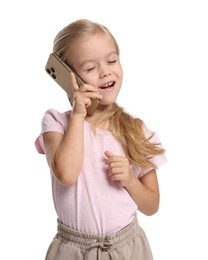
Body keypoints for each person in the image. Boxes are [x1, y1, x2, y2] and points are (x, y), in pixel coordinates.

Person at [35, 19, 166, 260]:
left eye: (112, 60)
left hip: (129, 248)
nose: (105, 71)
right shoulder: (56, 124)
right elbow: (67, 173)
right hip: (72, 250)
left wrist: (129, 180)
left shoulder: (136, 131)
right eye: (90, 68)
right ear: (68, 77)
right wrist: (78, 114)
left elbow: (152, 206)